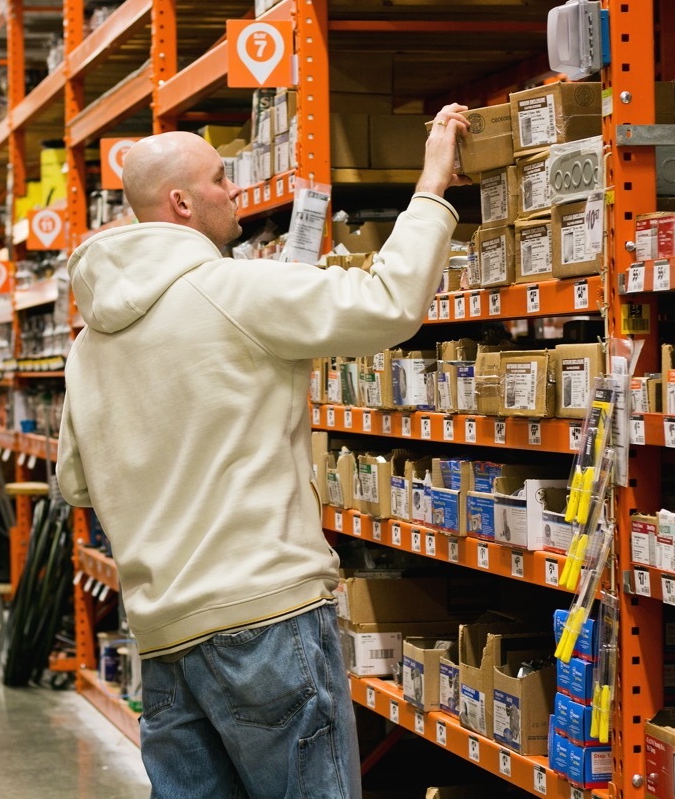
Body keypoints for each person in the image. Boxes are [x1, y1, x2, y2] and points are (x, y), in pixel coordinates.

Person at [56, 105, 470, 798]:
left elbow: (77, 482)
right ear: (181, 202)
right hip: (265, 622)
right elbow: (391, 302)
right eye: (222, 179)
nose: (236, 190)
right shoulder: (234, 290)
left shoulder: (88, 345)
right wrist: (432, 185)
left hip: (163, 639)